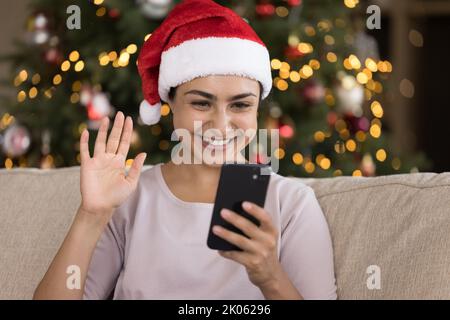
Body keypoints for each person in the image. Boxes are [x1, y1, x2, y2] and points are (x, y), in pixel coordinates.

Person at [33, 0, 337, 300]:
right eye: (201, 103)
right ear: (171, 104)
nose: (220, 125)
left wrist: (270, 276)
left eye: (241, 105)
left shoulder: (292, 204)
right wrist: (90, 216)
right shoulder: (129, 196)